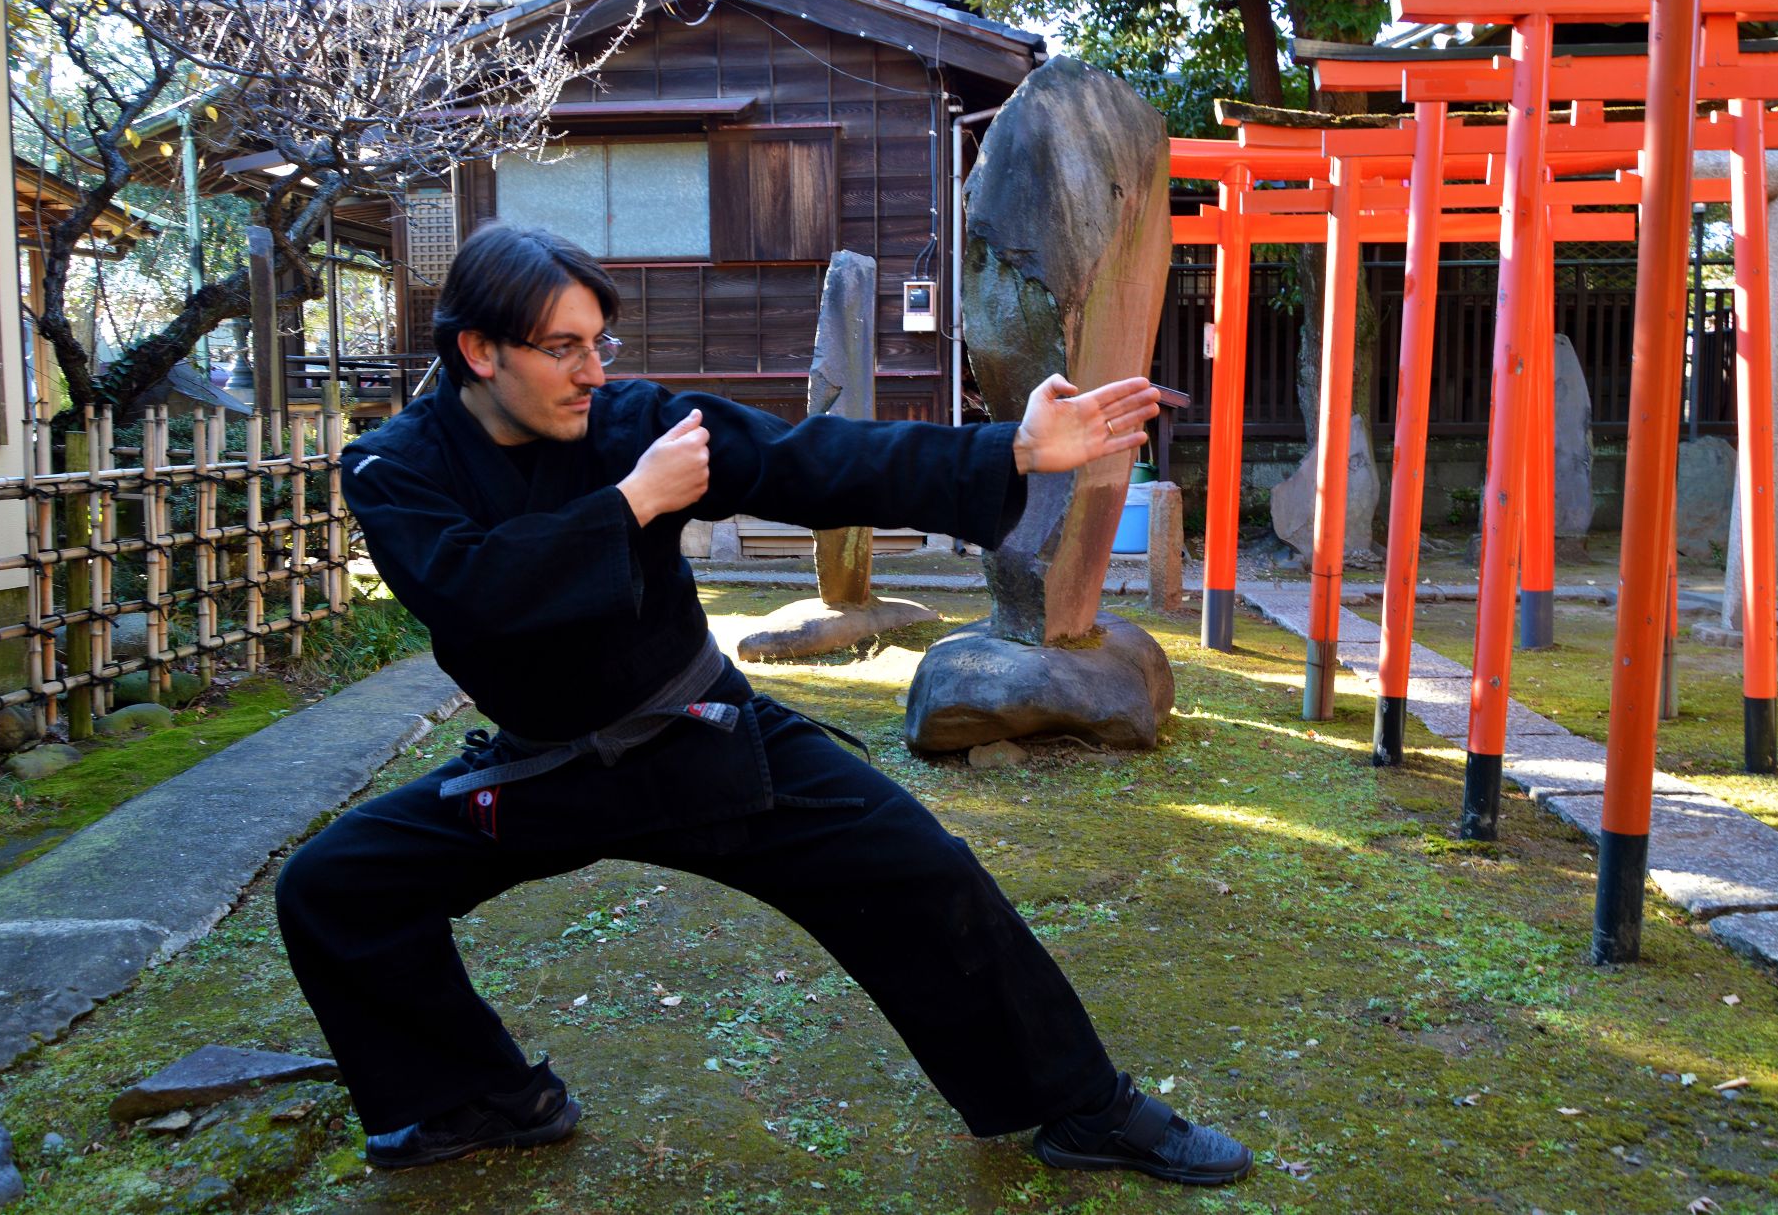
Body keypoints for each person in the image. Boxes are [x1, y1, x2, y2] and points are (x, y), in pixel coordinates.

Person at [276, 225, 1252, 1188]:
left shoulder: (631, 422)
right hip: (542, 769)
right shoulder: (394, 465)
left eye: (597, 343)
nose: (590, 371)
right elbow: (470, 589)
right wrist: (631, 505)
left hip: (698, 738)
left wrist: (1012, 449)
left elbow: (807, 458)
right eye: (562, 347)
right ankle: (483, 1096)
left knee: (920, 869)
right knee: (334, 888)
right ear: (479, 351)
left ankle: (1087, 1106)